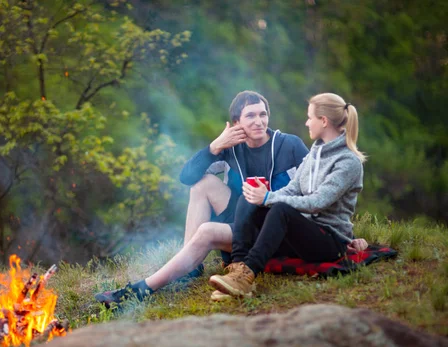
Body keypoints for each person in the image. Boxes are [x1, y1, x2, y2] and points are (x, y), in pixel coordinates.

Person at [95, 91, 308, 307]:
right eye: (250, 116)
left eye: (263, 115)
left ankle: (140, 290)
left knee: (206, 231)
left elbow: (312, 191)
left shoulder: (289, 145)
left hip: (273, 229)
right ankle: (191, 266)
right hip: (241, 225)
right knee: (202, 183)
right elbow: (186, 177)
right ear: (236, 123)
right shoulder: (231, 149)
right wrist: (214, 147)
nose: (259, 121)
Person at [208, 93, 369, 298]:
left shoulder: (348, 162)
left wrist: (268, 198)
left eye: (310, 117)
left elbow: (317, 203)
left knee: (281, 209)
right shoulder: (315, 154)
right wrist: (261, 197)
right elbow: (292, 189)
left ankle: (247, 276)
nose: (307, 122)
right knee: (248, 198)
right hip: (302, 235)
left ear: (324, 121)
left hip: (329, 241)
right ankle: (237, 269)